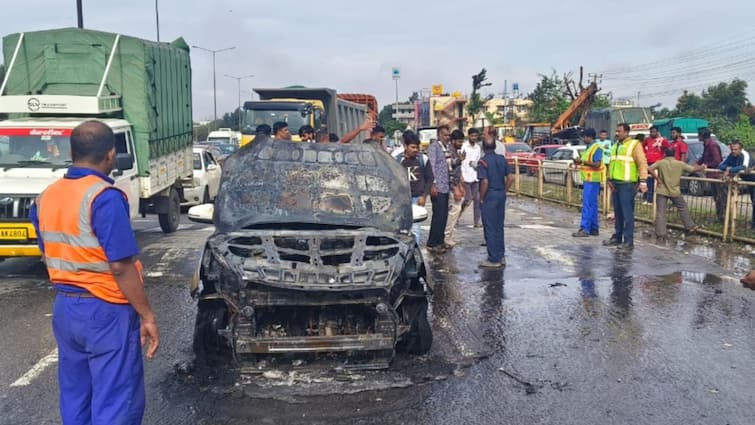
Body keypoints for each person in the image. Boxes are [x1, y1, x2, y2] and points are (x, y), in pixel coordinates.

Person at [30, 120, 159, 424]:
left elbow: (48, 250)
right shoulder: (104, 197)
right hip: (106, 309)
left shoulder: (46, 196)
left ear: (72, 152)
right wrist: (147, 316)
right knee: (115, 399)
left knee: (76, 396)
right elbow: (121, 265)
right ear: (111, 155)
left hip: (66, 308)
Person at [603, 123, 648, 250]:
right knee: (618, 212)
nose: (617, 133)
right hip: (615, 183)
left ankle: (628, 241)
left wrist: (643, 181)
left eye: (620, 131)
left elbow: (642, 163)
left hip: (627, 184)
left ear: (627, 132)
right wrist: (609, 179)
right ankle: (617, 237)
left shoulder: (634, 145)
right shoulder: (616, 145)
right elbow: (611, 163)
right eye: (616, 131)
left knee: (627, 213)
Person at [651, 148, 705, 242]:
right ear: (674, 154)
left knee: (661, 213)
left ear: (665, 154)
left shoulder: (660, 162)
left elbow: (650, 168)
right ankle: (690, 226)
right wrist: (702, 167)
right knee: (682, 207)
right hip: (675, 191)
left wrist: (658, 179)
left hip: (662, 190)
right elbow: (692, 169)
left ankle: (661, 234)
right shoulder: (679, 163)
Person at [478, 138, 514, 268]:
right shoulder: (502, 159)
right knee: (499, 227)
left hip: (490, 196)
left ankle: (493, 259)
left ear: (483, 148)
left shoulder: (483, 162)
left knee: (490, 227)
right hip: (500, 194)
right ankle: (501, 255)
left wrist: (482, 198)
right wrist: (504, 190)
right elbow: (510, 178)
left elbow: (485, 182)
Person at [395, 131, 433, 244]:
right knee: (401, 227)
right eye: (412, 147)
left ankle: (414, 250)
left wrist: (424, 196)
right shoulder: (397, 160)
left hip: (417, 198)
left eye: (417, 147)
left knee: (416, 228)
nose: (415, 150)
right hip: (402, 199)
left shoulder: (423, 159)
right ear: (405, 146)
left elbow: (430, 178)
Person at [572, 128, 603, 237]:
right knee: (592, 205)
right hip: (589, 180)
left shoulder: (596, 148)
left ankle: (585, 229)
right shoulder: (589, 148)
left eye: (584, 137)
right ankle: (594, 228)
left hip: (592, 180)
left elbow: (597, 164)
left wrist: (582, 161)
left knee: (587, 205)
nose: (583, 139)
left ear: (590, 137)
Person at [426, 125, 452, 253]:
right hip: (438, 186)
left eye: (448, 135)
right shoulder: (434, 148)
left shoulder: (447, 148)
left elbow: (449, 165)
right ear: (438, 135)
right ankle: (432, 243)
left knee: (444, 216)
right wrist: (433, 184)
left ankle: (440, 241)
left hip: (446, 186)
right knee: (438, 216)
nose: (447, 137)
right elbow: (431, 166)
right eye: (444, 135)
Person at [719, 140, 754, 227]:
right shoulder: (732, 155)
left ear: (740, 149)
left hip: (753, 180)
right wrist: (728, 168)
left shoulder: (745, 155)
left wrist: (730, 169)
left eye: (735, 149)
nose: (733, 151)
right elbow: (721, 165)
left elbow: (744, 167)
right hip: (750, 182)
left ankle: (753, 224)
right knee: (753, 202)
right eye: (732, 149)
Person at [444, 129, 466, 247]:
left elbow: (458, 171)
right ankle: (447, 237)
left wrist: (461, 184)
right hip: (451, 186)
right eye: (459, 141)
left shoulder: (456, 151)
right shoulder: (449, 152)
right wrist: (455, 188)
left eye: (462, 141)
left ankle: (448, 236)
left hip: (456, 184)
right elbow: (449, 170)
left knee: (454, 212)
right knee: (453, 212)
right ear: (453, 140)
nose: (461, 143)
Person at [697, 127, 724, 222]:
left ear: (703, 135)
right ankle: (719, 217)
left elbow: (717, 161)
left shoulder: (712, 145)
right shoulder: (706, 145)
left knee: (720, 197)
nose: (697, 136)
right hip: (711, 175)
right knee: (716, 197)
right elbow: (704, 158)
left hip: (716, 176)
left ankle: (722, 218)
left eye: (699, 134)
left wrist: (706, 165)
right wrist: (697, 164)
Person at [642, 126, 670, 204]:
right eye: (651, 132)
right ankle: (648, 198)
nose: (652, 133)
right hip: (649, 162)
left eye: (654, 132)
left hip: (658, 163)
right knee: (648, 181)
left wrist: (662, 151)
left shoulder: (662, 140)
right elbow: (642, 146)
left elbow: (669, 148)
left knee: (657, 181)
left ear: (657, 132)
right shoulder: (647, 139)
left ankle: (656, 199)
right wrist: (645, 154)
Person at [461, 127, 482, 227]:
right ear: (468, 136)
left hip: (475, 176)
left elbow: (478, 161)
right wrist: (461, 175)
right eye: (472, 136)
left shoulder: (478, 147)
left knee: (477, 199)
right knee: (468, 199)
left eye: (475, 136)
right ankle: (458, 215)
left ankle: (476, 222)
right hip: (465, 176)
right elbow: (460, 161)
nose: (474, 138)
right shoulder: (464, 146)